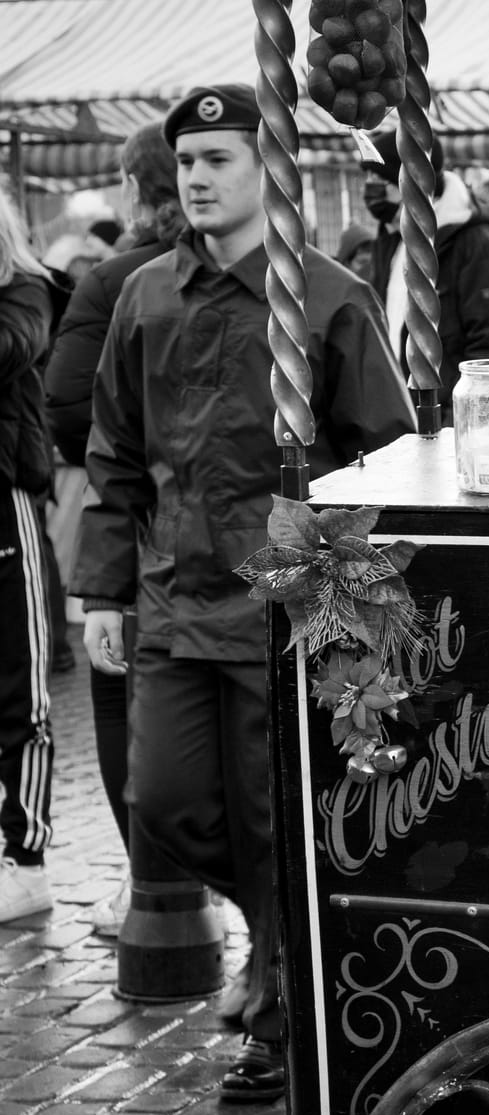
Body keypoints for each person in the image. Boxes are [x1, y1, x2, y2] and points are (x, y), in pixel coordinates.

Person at [75, 84, 414, 1101]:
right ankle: (273, 935)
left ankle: (276, 1011)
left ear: (266, 173)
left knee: (275, 815)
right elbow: (116, 453)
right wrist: (101, 591)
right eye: (186, 162)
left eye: (218, 159)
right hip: (177, 598)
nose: (196, 177)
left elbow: (390, 454)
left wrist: (352, 592)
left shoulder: (326, 296)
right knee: (165, 805)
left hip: (292, 602)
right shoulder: (143, 296)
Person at [44, 121, 188, 941]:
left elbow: (67, 408)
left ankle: (156, 888)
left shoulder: (112, 279)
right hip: (211, 533)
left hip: (135, 529)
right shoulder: (274, 269)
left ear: (135, 189)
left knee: (121, 689)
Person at [360, 129, 489, 415]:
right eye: (368, 178)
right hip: (398, 415)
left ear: (414, 182)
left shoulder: (473, 243)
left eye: (381, 180)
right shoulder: (390, 242)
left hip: (443, 420)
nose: (371, 189)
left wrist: (453, 422)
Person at [0, 181, 58, 926]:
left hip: (4, 502)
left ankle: (28, 855)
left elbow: (10, 347)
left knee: (20, 689)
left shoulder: (24, 292)